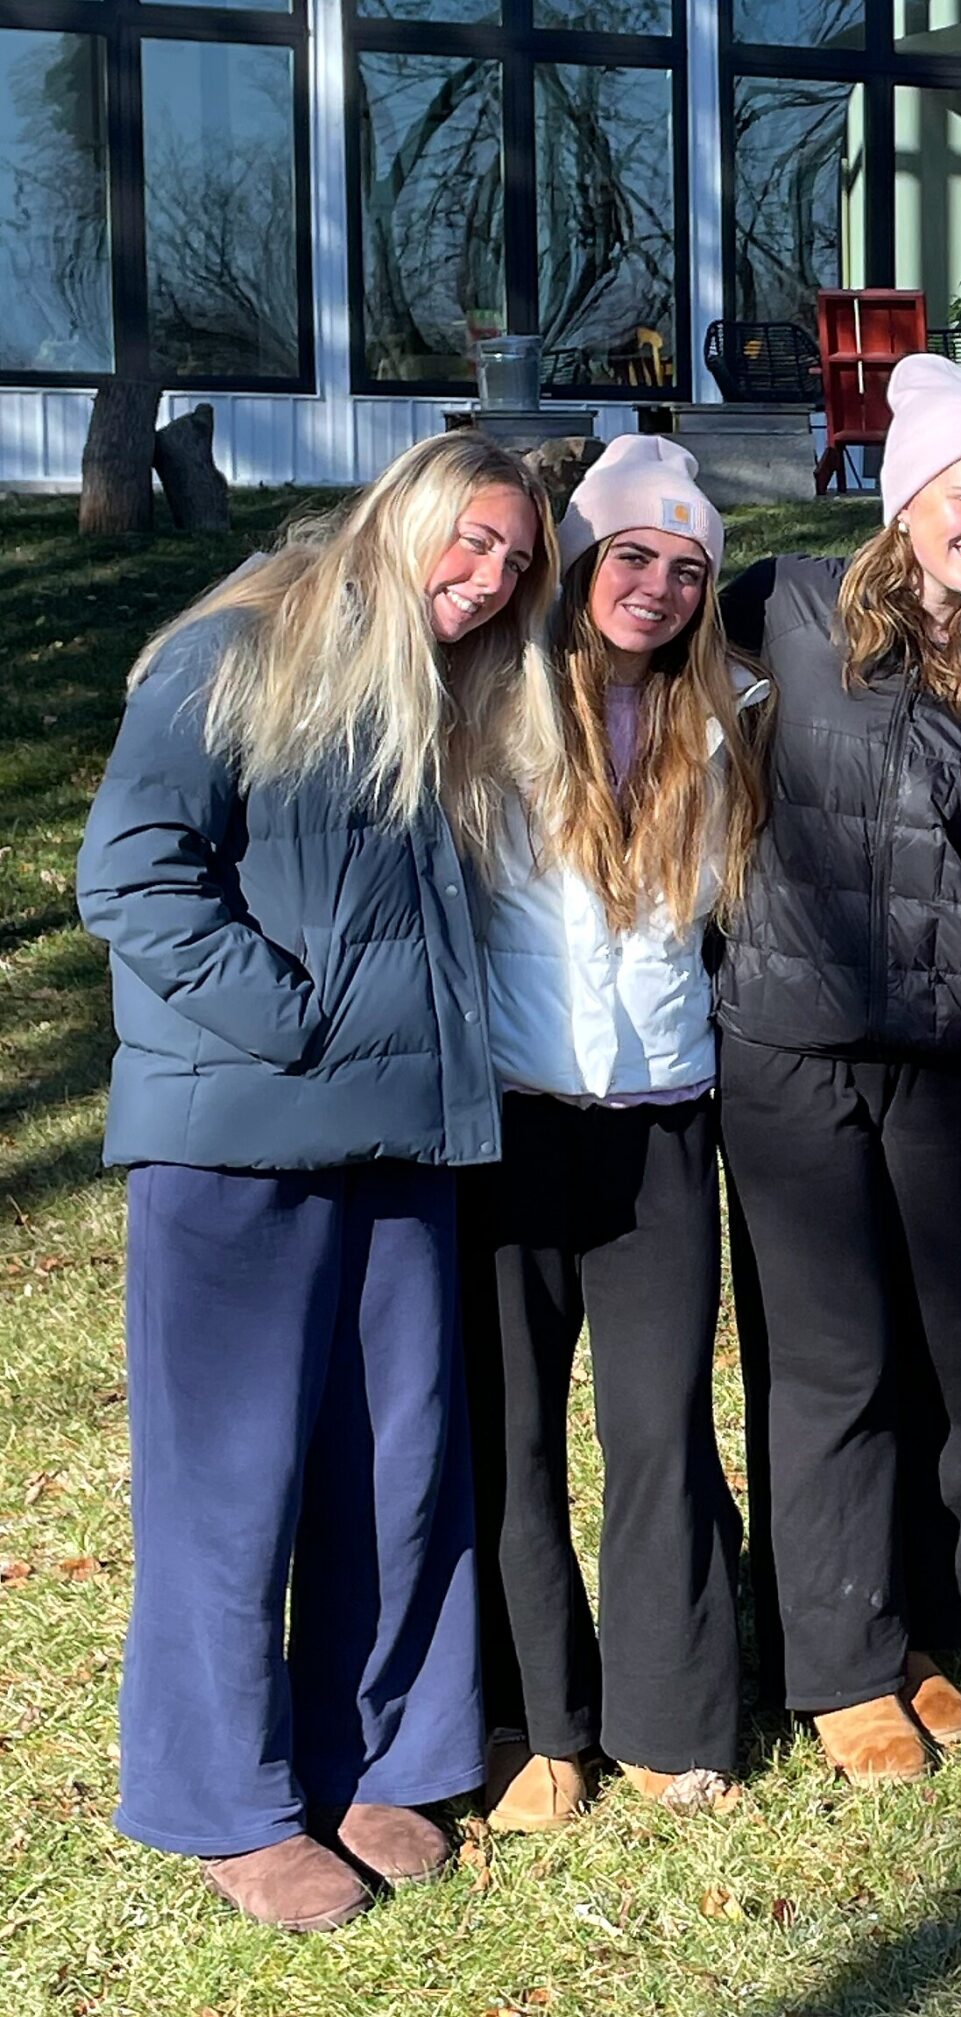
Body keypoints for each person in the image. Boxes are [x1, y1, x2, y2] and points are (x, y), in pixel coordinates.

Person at [76, 432, 555, 1930]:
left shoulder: (443, 685)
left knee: (397, 1468)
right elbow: (132, 869)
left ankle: (380, 1758)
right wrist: (295, 1023)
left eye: (515, 561)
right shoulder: (238, 649)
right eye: (472, 540)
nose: (489, 579)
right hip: (236, 1145)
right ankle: (226, 1800)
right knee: (231, 1487)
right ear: (403, 513)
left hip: (398, 1143)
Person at [715, 354, 961, 1783]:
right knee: (832, 1357)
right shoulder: (782, 606)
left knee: (945, 1356)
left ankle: (921, 1621)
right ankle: (838, 1660)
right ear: (906, 498)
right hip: (791, 1043)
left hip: (950, 1054)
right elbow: (626, 655)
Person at [465, 436, 767, 1831]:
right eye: (632, 555)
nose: (658, 586)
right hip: (513, 1122)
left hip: (660, 1127)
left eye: (688, 568)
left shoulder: (729, 721)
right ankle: (535, 1721)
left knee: (659, 1426)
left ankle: (671, 1708)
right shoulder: (495, 706)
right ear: (583, 562)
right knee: (513, 1432)